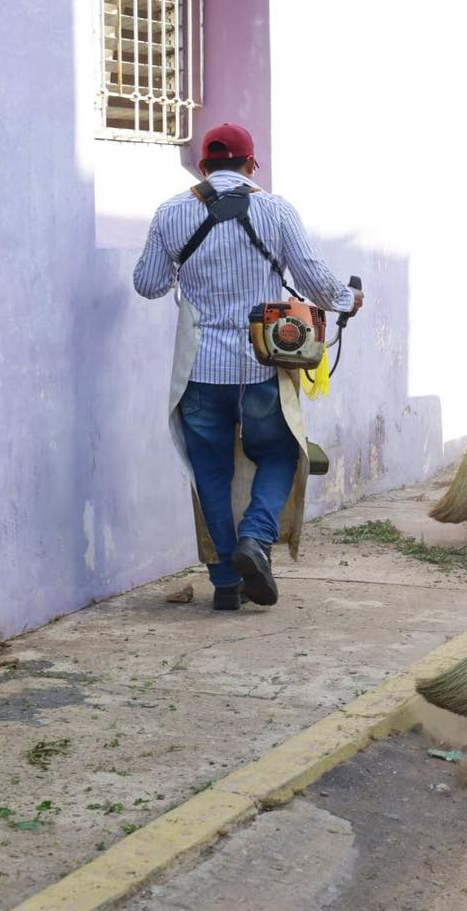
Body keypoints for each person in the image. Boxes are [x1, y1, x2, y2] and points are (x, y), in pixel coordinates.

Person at [133, 124, 363, 611]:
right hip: (263, 365)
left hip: (198, 370)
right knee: (280, 453)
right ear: (251, 165)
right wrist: (347, 299)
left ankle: (224, 585)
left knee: (210, 473)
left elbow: (148, 284)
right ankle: (256, 539)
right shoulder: (276, 209)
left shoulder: (171, 212)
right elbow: (314, 280)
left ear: (203, 167)